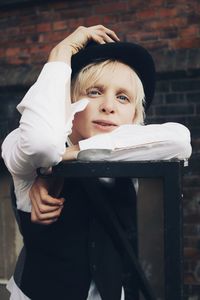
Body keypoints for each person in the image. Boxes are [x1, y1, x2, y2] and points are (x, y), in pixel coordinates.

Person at [2, 25, 192, 300]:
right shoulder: (23, 146)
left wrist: (77, 151)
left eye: (123, 97)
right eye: (94, 92)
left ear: (134, 116)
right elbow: (42, 143)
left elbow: (180, 140)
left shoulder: (130, 148)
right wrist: (61, 52)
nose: (109, 106)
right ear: (69, 102)